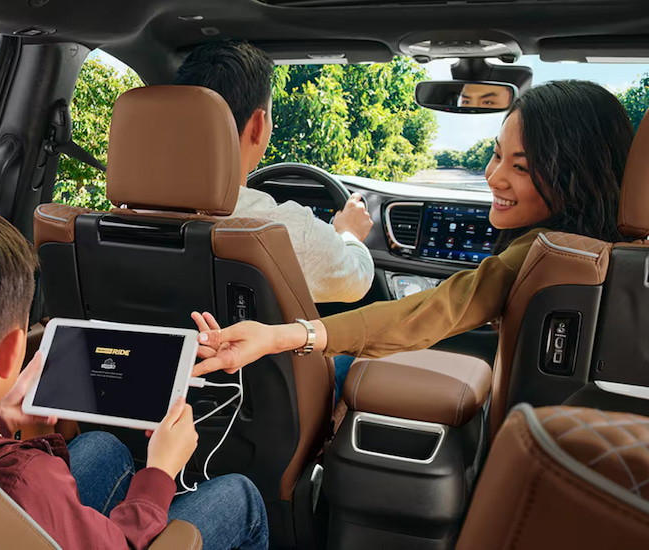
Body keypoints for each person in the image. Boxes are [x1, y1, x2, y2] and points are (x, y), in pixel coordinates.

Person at [0, 203, 268, 550]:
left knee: (102, 446)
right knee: (241, 497)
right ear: (11, 354)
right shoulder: (26, 477)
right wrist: (160, 470)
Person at [189, 80, 635, 379]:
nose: (493, 176)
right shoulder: (617, 258)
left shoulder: (545, 255)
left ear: (576, 176)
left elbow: (429, 312)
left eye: (519, 166)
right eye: (497, 155)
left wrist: (284, 334)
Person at [174, 40, 375, 304]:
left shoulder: (118, 223)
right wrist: (349, 232)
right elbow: (357, 278)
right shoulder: (283, 230)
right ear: (258, 124)